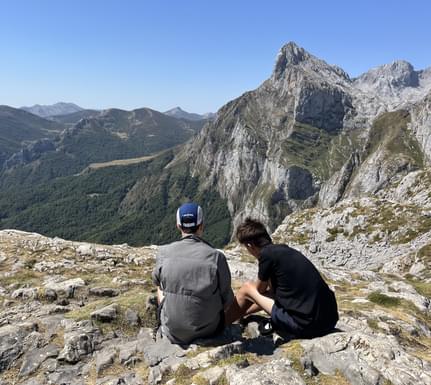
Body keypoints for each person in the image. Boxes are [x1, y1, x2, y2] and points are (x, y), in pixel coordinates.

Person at [225, 218, 338, 338]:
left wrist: (239, 310)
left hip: (305, 326)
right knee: (263, 293)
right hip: (328, 322)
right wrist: (244, 313)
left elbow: (258, 291)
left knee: (247, 288)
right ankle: (235, 317)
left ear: (250, 246)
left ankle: (220, 325)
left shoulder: (266, 255)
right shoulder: (285, 250)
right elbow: (273, 294)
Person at [152, 202, 234, 345]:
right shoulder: (216, 257)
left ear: (178, 226)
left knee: (159, 286)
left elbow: (155, 280)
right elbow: (227, 299)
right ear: (201, 225)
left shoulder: (164, 252)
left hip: (172, 331)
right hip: (209, 330)